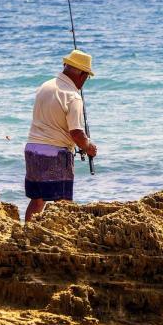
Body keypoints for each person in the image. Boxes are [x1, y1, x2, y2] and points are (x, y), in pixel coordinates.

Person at [24, 50, 97, 222]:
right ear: (82, 74)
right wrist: (88, 147)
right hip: (55, 155)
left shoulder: (45, 86)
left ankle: (27, 231)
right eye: (87, 77)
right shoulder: (73, 96)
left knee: (37, 200)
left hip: (32, 149)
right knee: (63, 202)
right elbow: (76, 133)